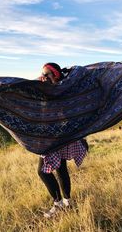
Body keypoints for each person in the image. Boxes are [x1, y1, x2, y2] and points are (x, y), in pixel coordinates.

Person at [38, 63, 89, 218]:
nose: (44, 77)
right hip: (55, 135)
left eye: (47, 74)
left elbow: (80, 70)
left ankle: (59, 203)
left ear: (56, 75)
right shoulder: (50, 88)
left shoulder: (63, 89)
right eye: (42, 74)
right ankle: (66, 203)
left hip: (61, 136)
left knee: (43, 172)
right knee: (60, 169)